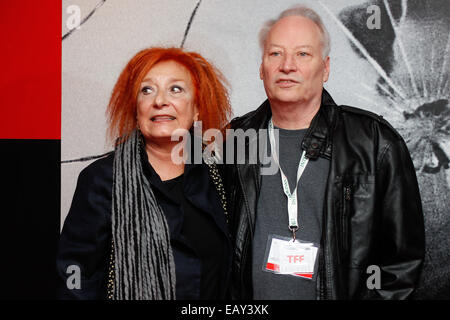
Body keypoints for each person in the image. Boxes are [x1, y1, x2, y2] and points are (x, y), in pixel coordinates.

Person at [225, 5, 425, 300]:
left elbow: (402, 266)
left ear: (326, 68)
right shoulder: (235, 140)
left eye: (303, 54)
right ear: (262, 67)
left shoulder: (374, 143)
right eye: (275, 53)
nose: (287, 65)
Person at [57, 47, 232, 300]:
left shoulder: (218, 175)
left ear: (196, 109)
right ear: (136, 109)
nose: (159, 101)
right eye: (146, 90)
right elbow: (74, 274)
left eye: (175, 89)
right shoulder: (103, 179)